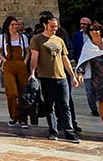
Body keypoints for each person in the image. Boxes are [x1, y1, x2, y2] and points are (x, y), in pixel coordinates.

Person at [29, 14, 80, 143]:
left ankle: (69, 132)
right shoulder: (36, 39)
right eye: (52, 26)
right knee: (49, 106)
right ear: (45, 25)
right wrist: (32, 73)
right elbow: (34, 58)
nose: (54, 29)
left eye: (56, 26)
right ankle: (53, 131)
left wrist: (72, 75)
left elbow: (65, 59)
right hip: (46, 77)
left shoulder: (59, 40)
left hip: (61, 77)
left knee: (65, 105)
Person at [0, 16, 31, 128]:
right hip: (9, 66)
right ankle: (13, 116)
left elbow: (27, 51)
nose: (15, 27)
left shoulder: (23, 37)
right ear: (8, 26)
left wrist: (25, 62)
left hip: (20, 65)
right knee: (11, 93)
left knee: (22, 92)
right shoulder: (3, 37)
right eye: (12, 24)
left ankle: (23, 119)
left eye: (16, 24)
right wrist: (4, 60)